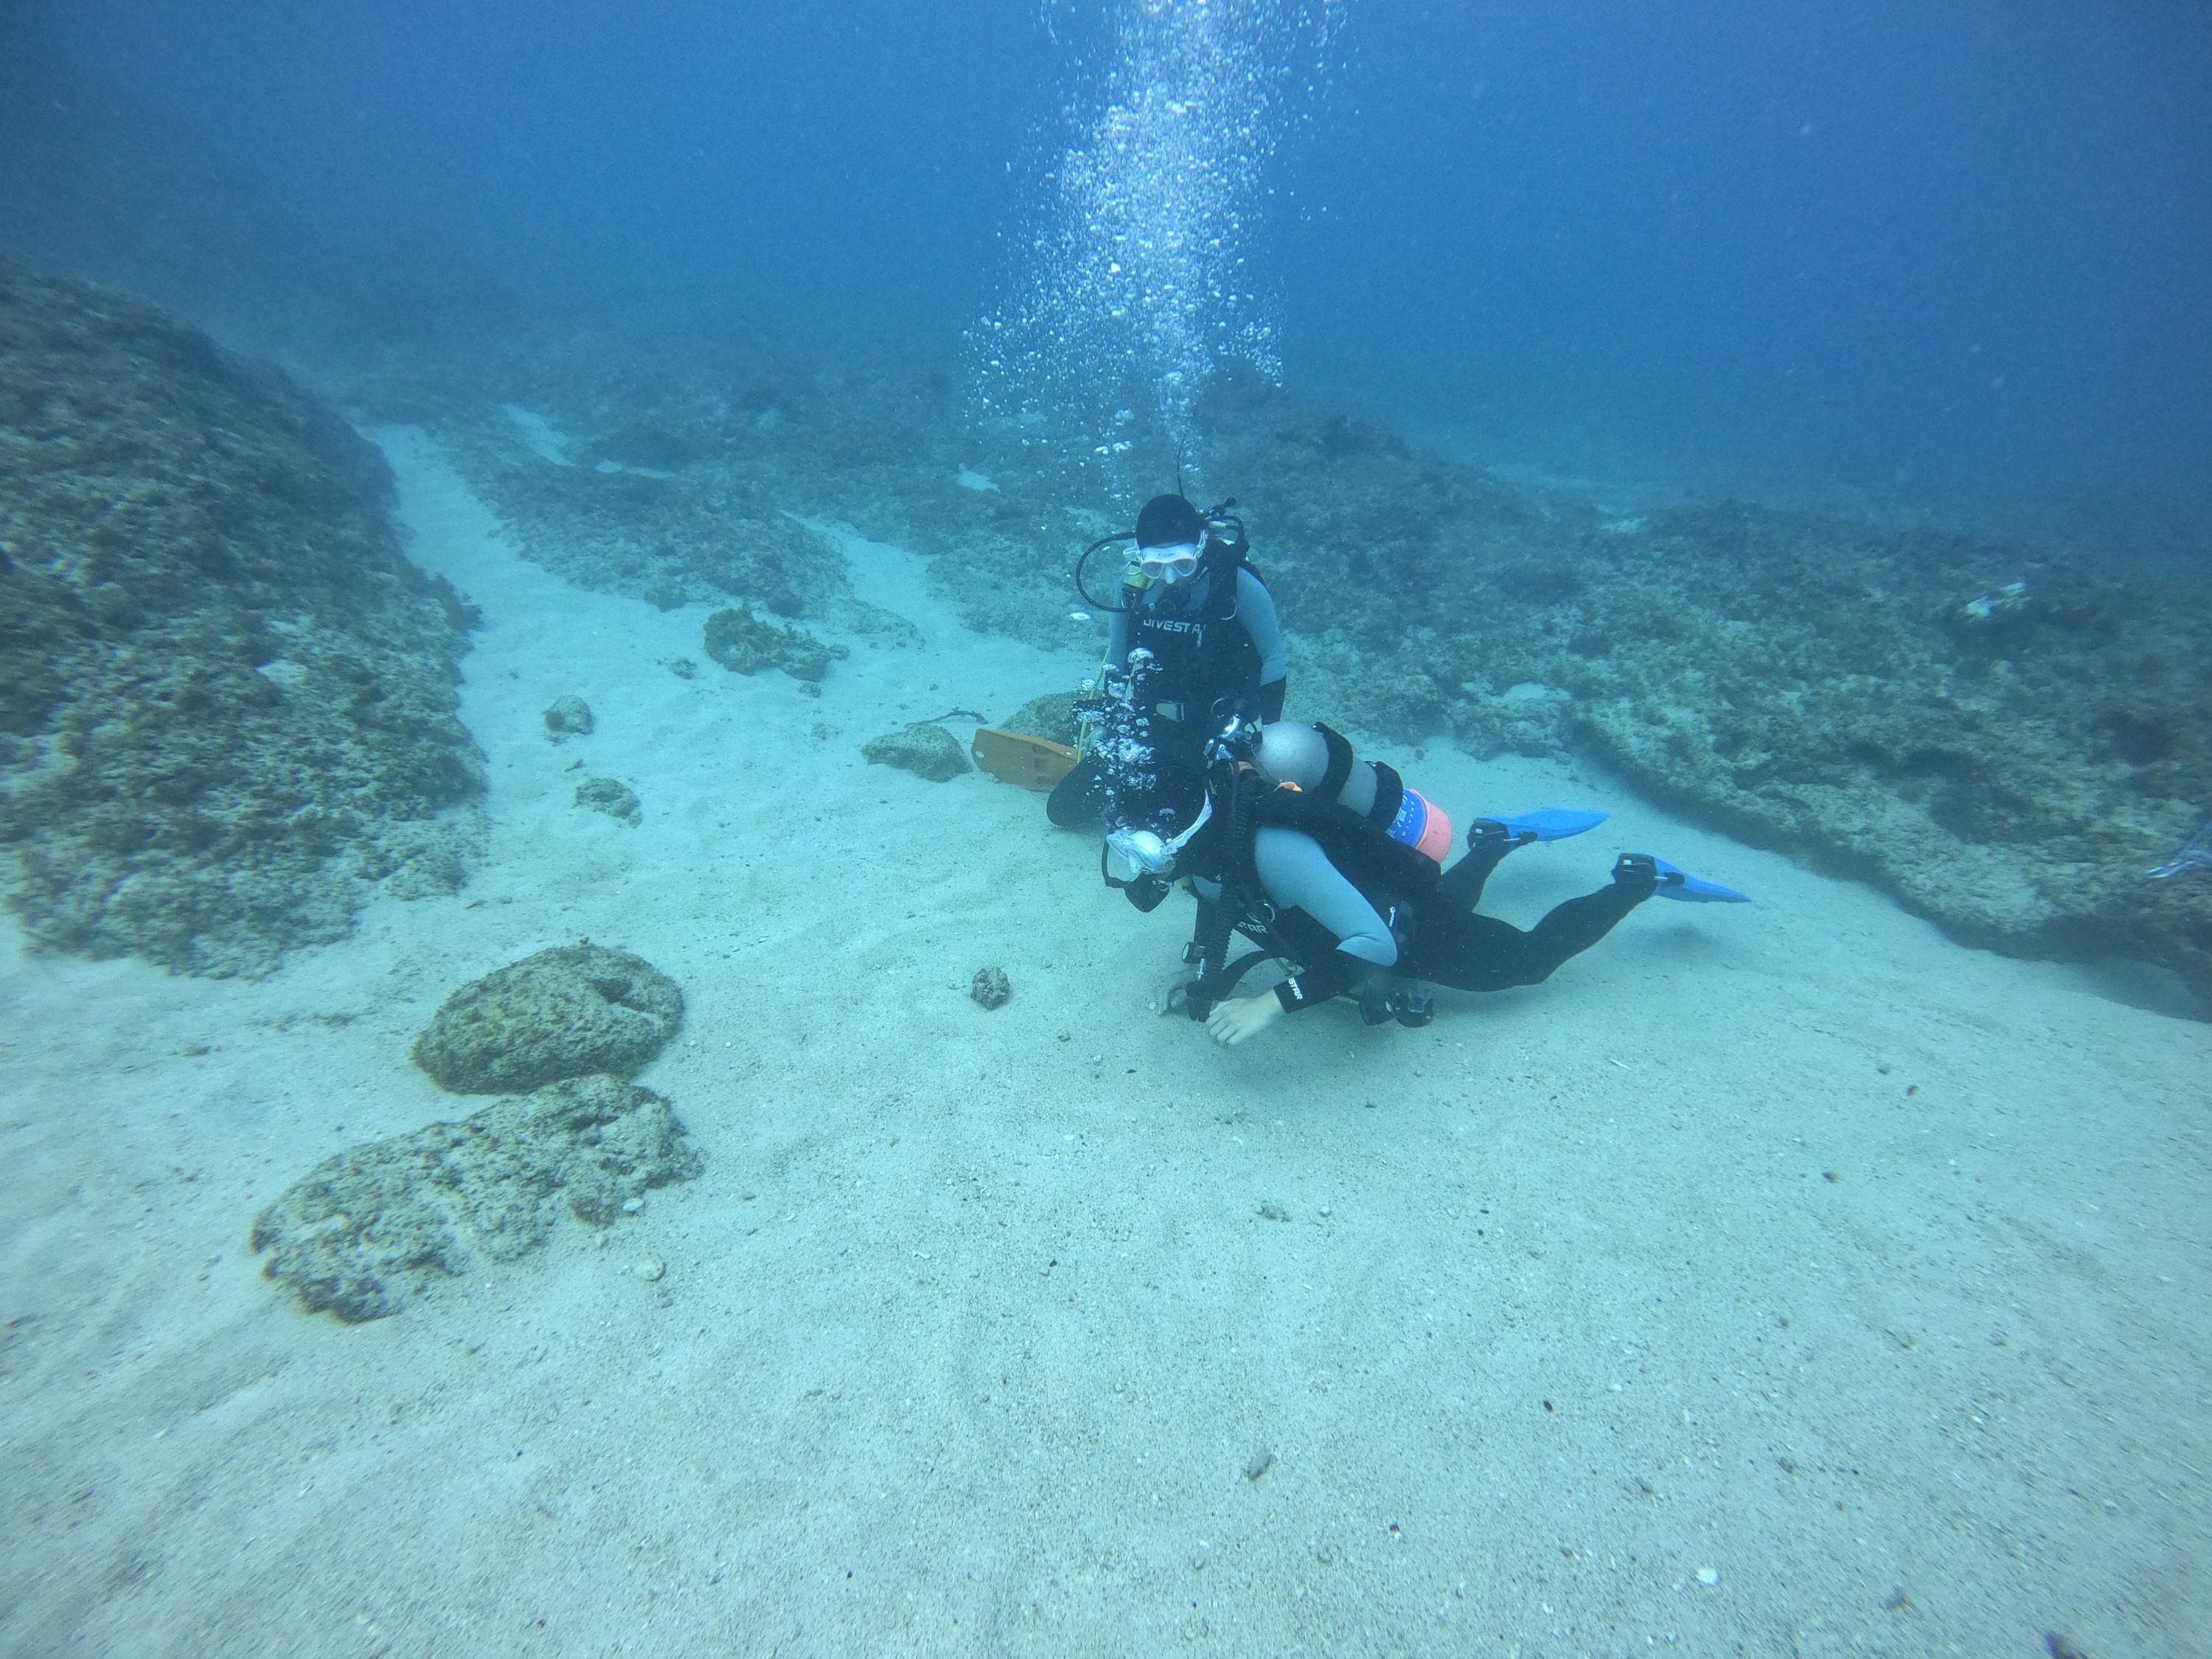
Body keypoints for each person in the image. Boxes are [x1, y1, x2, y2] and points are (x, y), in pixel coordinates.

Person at [1105, 717, 1750, 1046]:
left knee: (1526, 962)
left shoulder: (1273, 851)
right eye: (1125, 845)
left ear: (1187, 826)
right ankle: (1494, 843)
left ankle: (1636, 881)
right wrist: (1205, 970)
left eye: (1144, 847)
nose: (1141, 862)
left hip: (1396, 929)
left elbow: (1378, 946)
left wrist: (1269, 1004)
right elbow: (1219, 901)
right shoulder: (1204, 853)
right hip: (1377, 906)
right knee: (1439, 903)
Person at [1048, 494, 1287, 833]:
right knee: (1064, 810)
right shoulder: (1132, 587)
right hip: (1151, 724)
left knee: (1188, 825)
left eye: (1182, 564)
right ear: (1140, 558)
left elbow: (1274, 659)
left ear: (1201, 544)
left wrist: (1271, 739)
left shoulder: (1238, 585)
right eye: (1155, 567)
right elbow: (1117, 661)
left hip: (1216, 731)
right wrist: (1108, 724)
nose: (1170, 579)